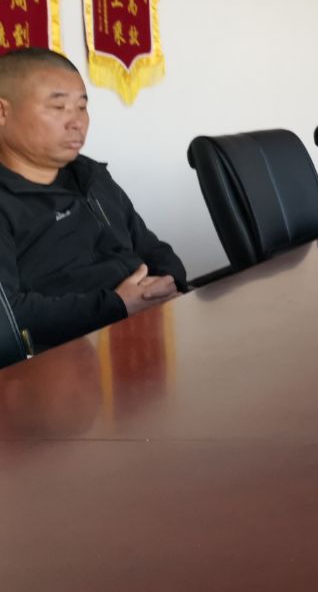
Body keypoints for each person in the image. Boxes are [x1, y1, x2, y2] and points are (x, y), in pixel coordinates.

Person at [0, 48, 186, 362]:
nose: (77, 122)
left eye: (82, 107)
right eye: (58, 107)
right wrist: (118, 305)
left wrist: (169, 283)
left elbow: (151, 247)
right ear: (3, 112)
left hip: (148, 330)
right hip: (66, 361)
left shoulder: (90, 176)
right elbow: (8, 315)